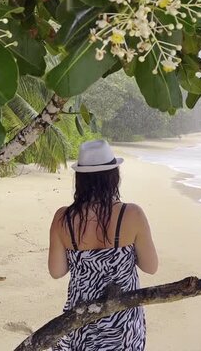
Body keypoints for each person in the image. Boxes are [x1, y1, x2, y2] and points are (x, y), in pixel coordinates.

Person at [48, 140, 158, 350]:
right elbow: (151, 267)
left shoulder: (64, 218)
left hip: (81, 321)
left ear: (80, 179)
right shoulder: (132, 214)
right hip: (123, 323)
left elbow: (56, 271)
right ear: (113, 177)